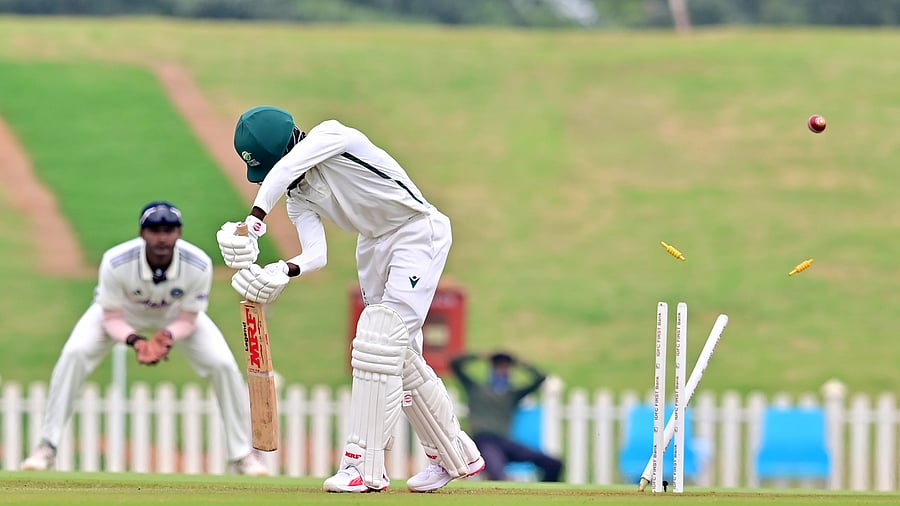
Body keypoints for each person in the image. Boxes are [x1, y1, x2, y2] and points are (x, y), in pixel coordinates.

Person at [215, 105, 484, 493]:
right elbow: (315, 255)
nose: (270, 179)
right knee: (397, 352)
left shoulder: (333, 136)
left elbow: (288, 168)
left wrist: (253, 222)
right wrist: (283, 270)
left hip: (415, 231)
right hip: (373, 245)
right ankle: (453, 452)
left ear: (286, 148)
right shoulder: (299, 196)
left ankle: (361, 465)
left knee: (379, 339)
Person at [20, 201, 268, 476]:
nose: (162, 238)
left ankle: (241, 455)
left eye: (169, 230)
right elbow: (111, 316)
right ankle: (47, 446)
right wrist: (137, 342)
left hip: (175, 318)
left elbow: (189, 317)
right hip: (121, 314)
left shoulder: (198, 264)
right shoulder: (116, 261)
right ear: (142, 233)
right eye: (154, 230)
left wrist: (167, 336)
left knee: (222, 365)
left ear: (179, 233)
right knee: (74, 354)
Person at [450, 352, 563, 482]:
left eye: (505, 367)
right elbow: (455, 364)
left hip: (504, 443)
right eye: (498, 366)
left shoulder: (511, 394)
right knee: (498, 475)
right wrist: (478, 356)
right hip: (483, 441)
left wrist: (521, 364)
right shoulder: (476, 388)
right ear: (492, 368)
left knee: (554, 464)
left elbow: (541, 378)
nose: (502, 371)